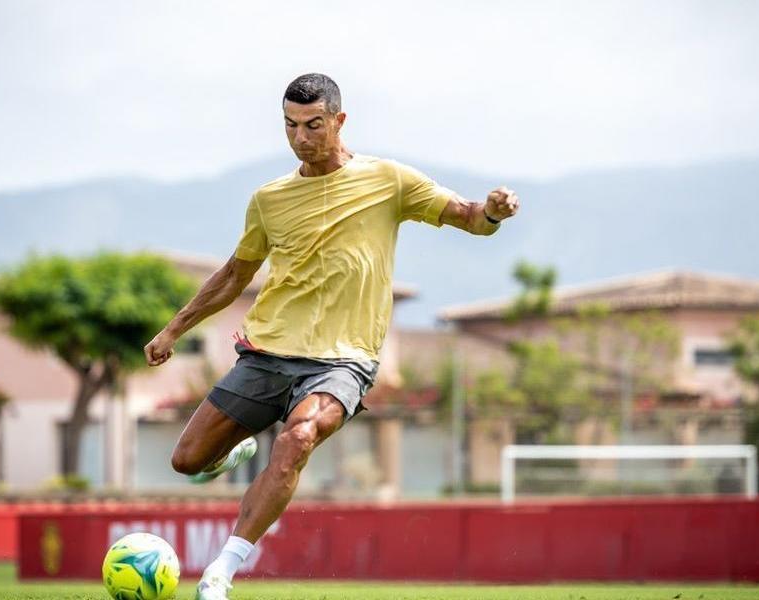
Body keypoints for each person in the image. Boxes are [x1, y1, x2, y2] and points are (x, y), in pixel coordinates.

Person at [143, 73, 519, 599]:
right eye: (290, 126)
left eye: (313, 125)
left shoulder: (388, 179)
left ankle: (220, 573)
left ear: (339, 121)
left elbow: (470, 218)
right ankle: (237, 450)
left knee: (298, 439)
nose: (301, 137)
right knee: (186, 461)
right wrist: (173, 330)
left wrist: (493, 214)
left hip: (342, 361)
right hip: (268, 351)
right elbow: (234, 276)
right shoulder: (269, 199)